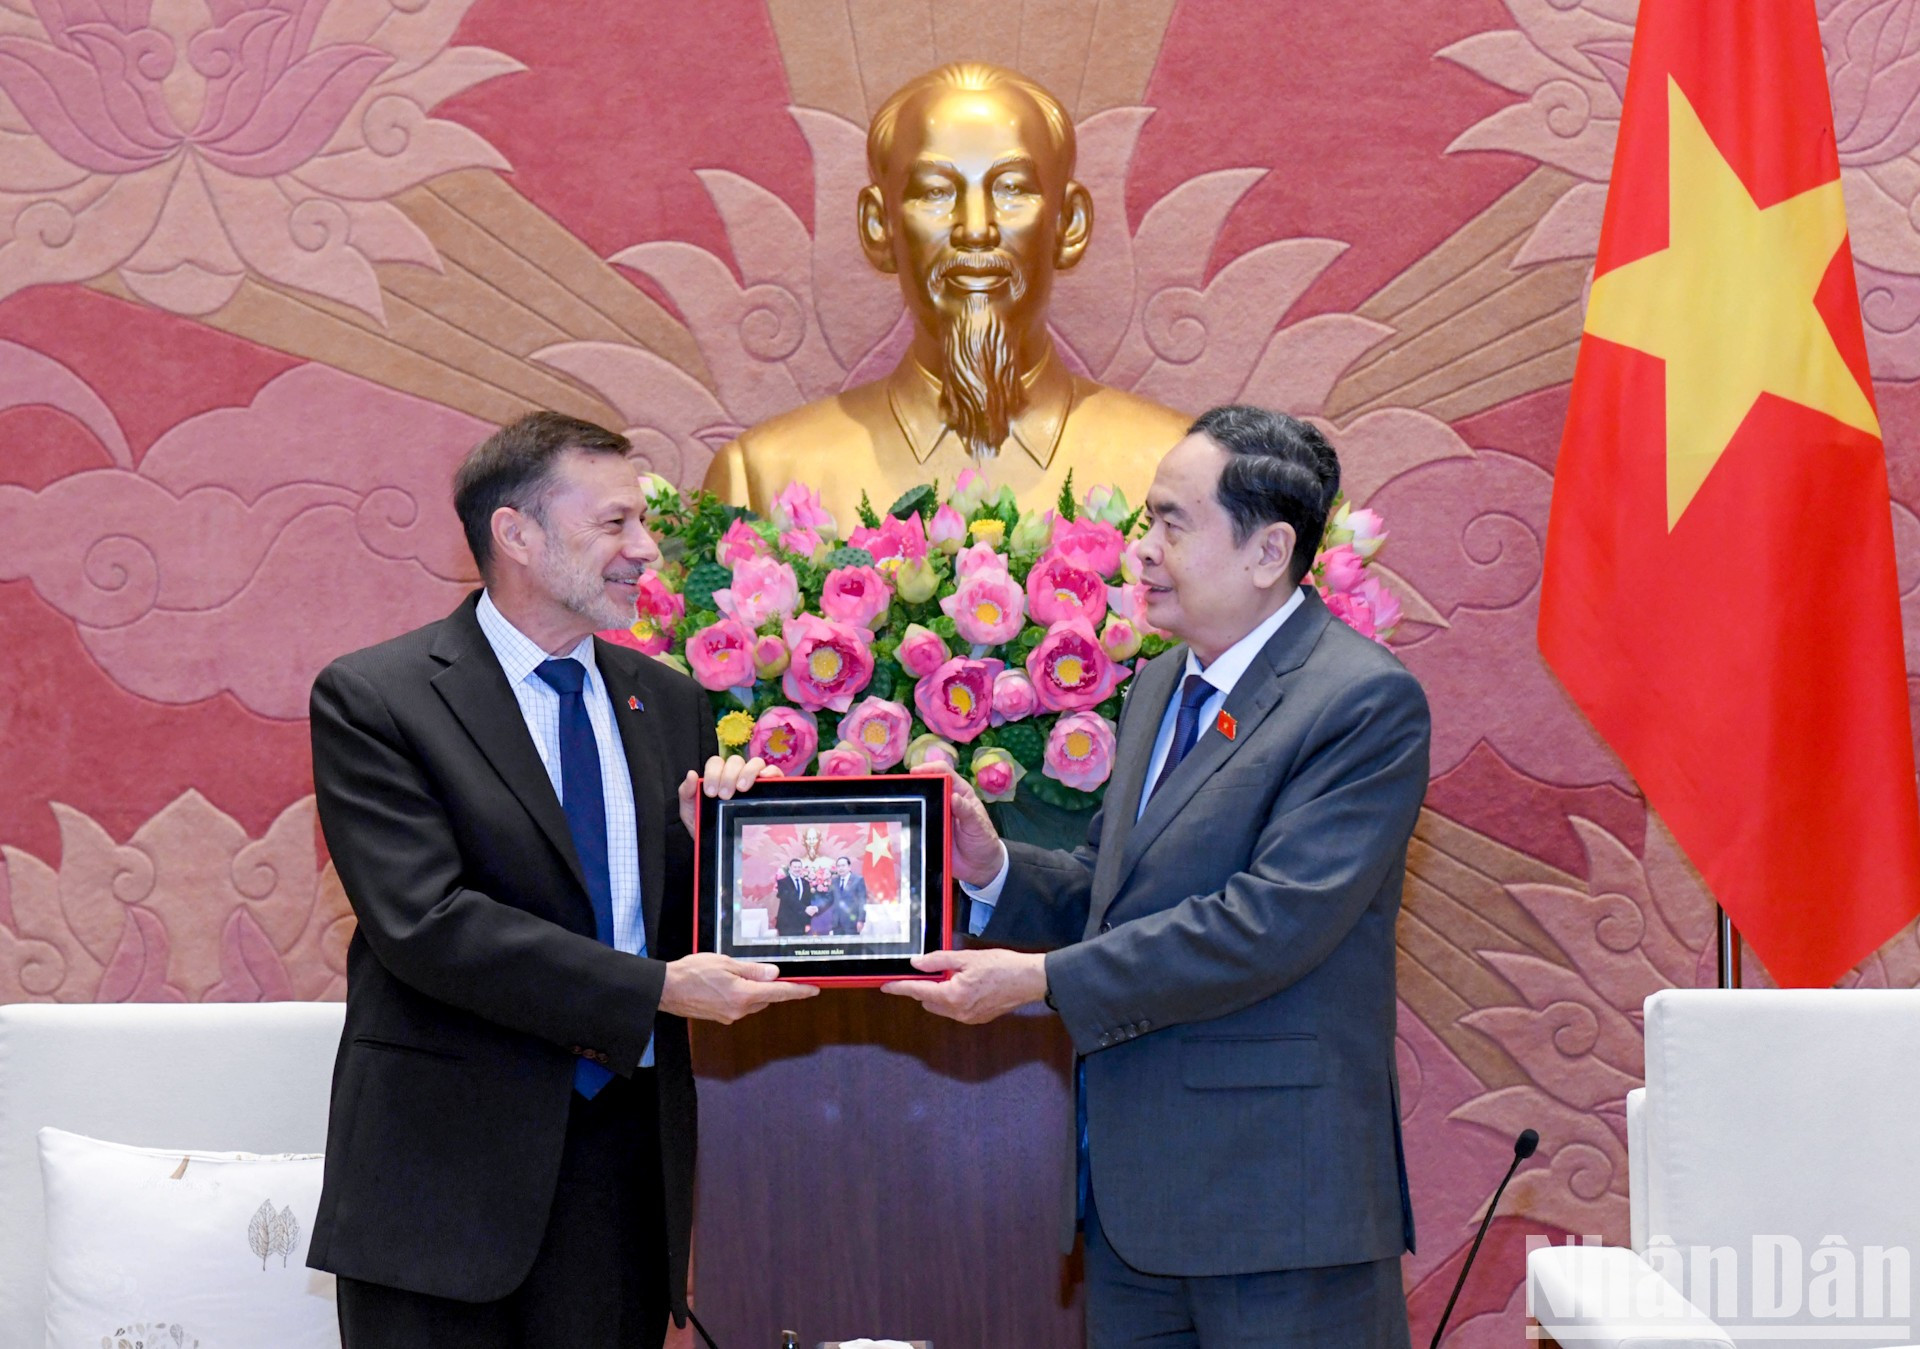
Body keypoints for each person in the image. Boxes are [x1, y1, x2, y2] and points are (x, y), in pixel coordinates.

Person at [885, 405, 1432, 1349]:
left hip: (1278, 1213)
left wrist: (1046, 980)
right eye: (1147, 520)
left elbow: (1266, 924)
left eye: (1172, 523)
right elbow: (1114, 886)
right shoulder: (1159, 685)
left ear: (1269, 551)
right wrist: (994, 868)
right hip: (1135, 1210)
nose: (1140, 551)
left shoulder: (1361, 702)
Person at [306, 411, 818, 1349]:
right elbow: (428, 924)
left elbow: (678, 925)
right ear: (518, 535)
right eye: (616, 524)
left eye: (644, 524)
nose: (646, 550)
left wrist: (728, 848)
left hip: (620, 1171)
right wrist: (657, 988)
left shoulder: (668, 701)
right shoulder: (377, 699)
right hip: (443, 1182)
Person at [701, 62, 1189, 526]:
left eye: (1012, 190)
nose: (976, 230)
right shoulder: (762, 480)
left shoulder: (1178, 470)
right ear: (878, 227)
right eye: (935, 193)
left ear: (1071, 224)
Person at [829, 856, 868, 936]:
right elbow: (830, 899)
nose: (841, 868)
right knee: (838, 948)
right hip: (837, 924)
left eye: (843, 865)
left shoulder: (858, 880)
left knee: (852, 948)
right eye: (838, 866)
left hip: (852, 923)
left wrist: (861, 920)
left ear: (849, 867)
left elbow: (862, 901)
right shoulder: (834, 881)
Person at [775, 858, 814, 937]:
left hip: (801, 924)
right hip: (786, 923)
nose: (797, 869)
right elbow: (789, 899)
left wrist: (807, 923)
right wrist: (804, 909)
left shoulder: (806, 883)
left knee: (800, 948)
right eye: (795, 867)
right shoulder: (782, 882)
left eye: (799, 867)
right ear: (790, 868)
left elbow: (807, 902)